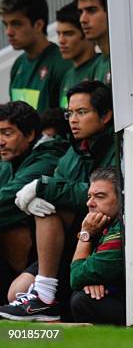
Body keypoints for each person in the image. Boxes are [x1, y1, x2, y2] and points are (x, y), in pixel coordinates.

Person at [0, 80, 115, 321]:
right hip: (69, 243)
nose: (73, 120)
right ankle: (43, 294)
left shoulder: (117, 145)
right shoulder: (73, 151)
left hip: (101, 235)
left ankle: (44, 297)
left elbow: (110, 196)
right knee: (15, 292)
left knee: (47, 205)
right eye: (70, 113)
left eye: (82, 112)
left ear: (105, 116)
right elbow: (61, 186)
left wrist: (44, 187)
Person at [0, 102, 68, 299]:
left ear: (30, 135)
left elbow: (6, 200)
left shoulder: (48, 157)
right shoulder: (7, 163)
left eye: (7, 133)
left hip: (58, 261)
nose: (1, 141)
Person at [70, 167, 124, 325]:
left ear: (121, 198)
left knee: (81, 300)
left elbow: (76, 276)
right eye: (89, 196)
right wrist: (92, 279)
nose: (89, 203)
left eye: (99, 196)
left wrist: (85, 234)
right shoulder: (106, 224)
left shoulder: (121, 227)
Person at [2, 0, 71, 112]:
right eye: (5, 24)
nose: (9, 32)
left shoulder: (62, 64)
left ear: (38, 25)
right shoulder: (18, 64)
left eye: (16, 24)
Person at [56, 2, 99, 108]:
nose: (61, 40)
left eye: (68, 34)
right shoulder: (67, 75)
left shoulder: (99, 67)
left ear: (86, 33)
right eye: (58, 34)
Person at [75, 0, 111, 86]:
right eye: (80, 12)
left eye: (91, 10)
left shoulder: (131, 55)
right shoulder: (96, 65)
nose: (83, 19)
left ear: (110, 10)